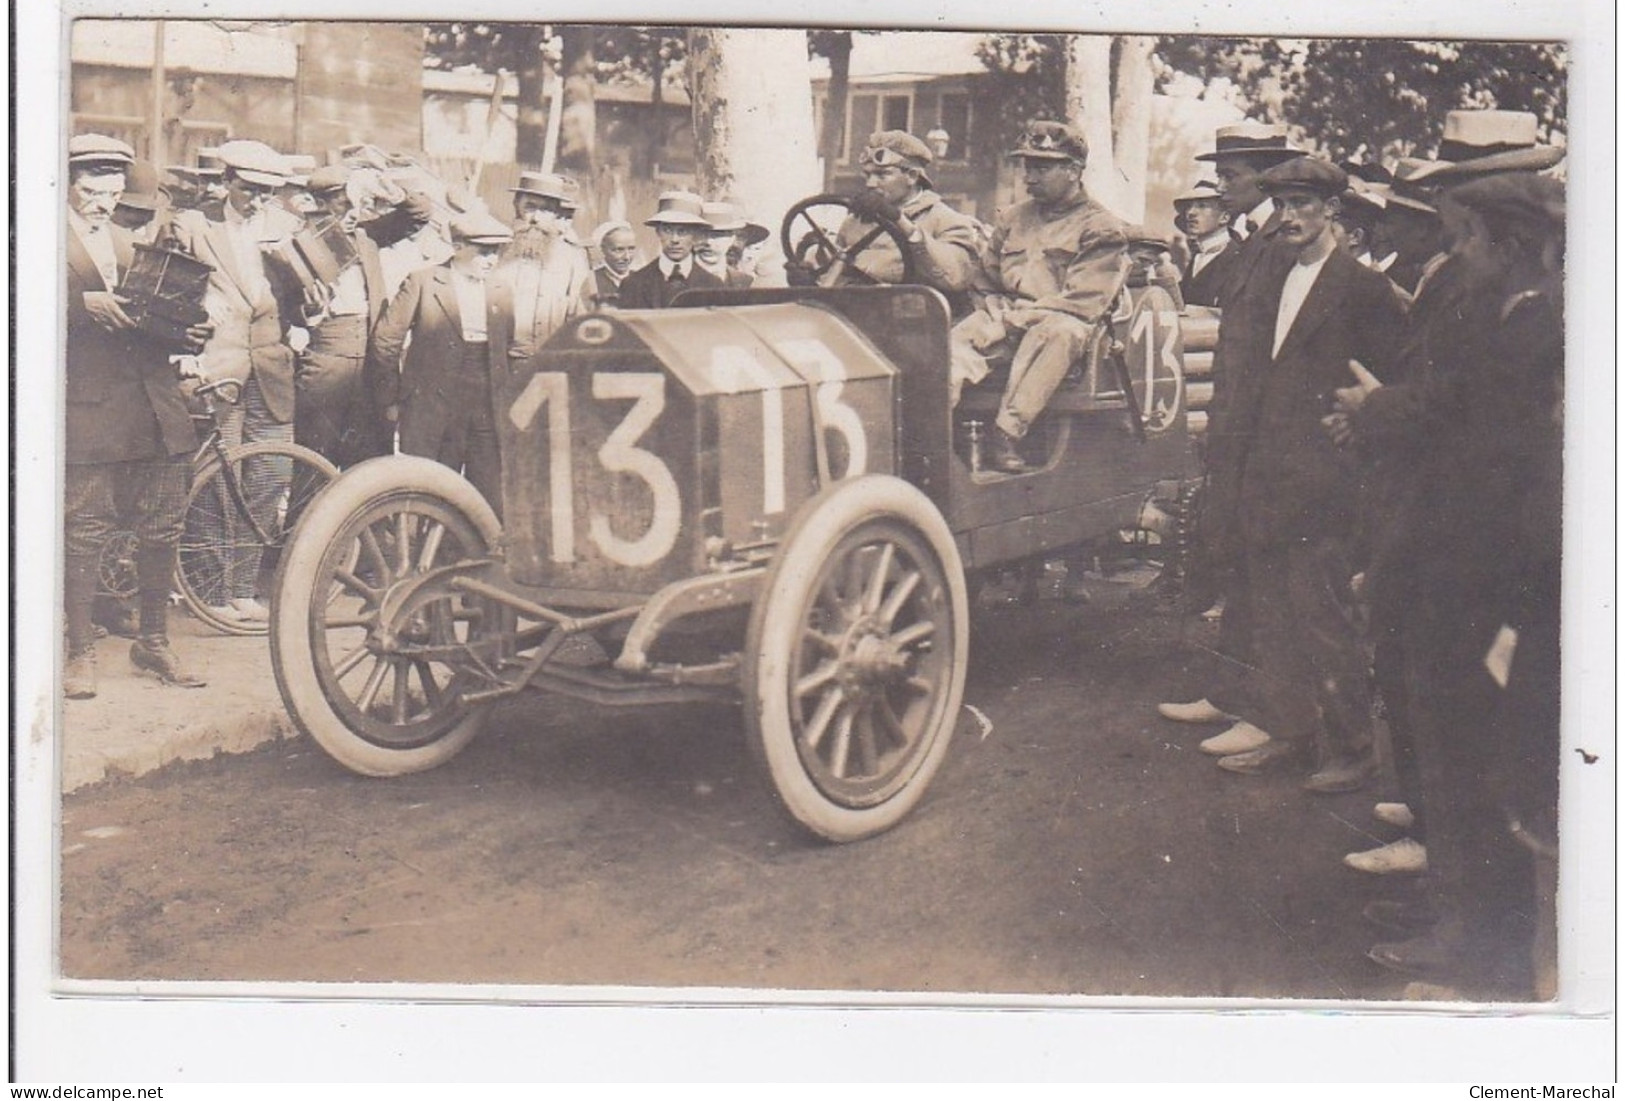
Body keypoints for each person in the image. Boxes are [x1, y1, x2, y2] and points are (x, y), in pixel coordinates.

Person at [1199, 157, 1403, 792]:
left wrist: (1358, 438)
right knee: (1273, 613)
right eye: (1281, 204)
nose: (1288, 217)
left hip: (1325, 484)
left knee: (1325, 617)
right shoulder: (1270, 280)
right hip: (1264, 473)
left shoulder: (1363, 289)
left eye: (1302, 204)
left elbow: (1390, 384)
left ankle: (1354, 748)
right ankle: (1291, 735)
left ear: (1332, 211)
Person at [1158, 121, 1306, 751]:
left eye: (1233, 175)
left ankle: (1269, 713)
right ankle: (1230, 694)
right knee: (1238, 562)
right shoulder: (1254, 237)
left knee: (1266, 570)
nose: (1222, 187)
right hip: (1236, 423)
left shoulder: (1282, 238)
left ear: (1266, 178)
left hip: (1263, 428)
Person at [62, 134, 210, 697]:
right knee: (85, 532)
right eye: (92, 191)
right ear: (69, 185)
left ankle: (154, 643)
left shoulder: (132, 245)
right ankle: (80, 653)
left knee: (163, 528)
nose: (103, 202)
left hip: (157, 409)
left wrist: (196, 330)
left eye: (113, 191)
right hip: (93, 410)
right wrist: (78, 305)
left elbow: (161, 319)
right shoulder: (33, 240)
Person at [166, 138, 301, 626]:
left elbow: (310, 294)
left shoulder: (287, 231)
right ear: (226, 183)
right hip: (218, 369)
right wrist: (196, 307)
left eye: (269, 192)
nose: (259, 201)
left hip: (270, 370)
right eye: (248, 190)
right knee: (221, 484)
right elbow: (167, 288)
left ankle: (244, 589)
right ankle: (211, 592)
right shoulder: (193, 226)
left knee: (269, 479)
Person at [949, 120, 1129, 473]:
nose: (1029, 177)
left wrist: (1012, 320)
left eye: (1042, 168)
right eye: (1027, 167)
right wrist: (992, 307)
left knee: (1060, 331)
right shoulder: (1014, 218)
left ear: (1074, 170)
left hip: (1059, 327)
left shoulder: (1100, 226)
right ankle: (937, 437)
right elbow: (985, 278)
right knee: (950, 346)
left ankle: (1006, 434)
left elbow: (1083, 301)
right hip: (1005, 319)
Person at [368, 209, 515, 512]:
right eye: (484, 251)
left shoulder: (501, 289)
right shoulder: (424, 281)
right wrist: (391, 398)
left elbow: (508, 349)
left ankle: (477, 556)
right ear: (458, 247)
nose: (492, 260)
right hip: (433, 403)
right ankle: (425, 555)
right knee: (431, 488)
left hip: (485, 401)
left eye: (496, 252)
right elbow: (386, 340)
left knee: (489, 492)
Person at [291, 164, 394, 470]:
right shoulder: (299, 244)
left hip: (370, 363)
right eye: (343, 204)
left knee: (365, 465)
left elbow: (418, 215)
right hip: (327, 359)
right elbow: (290, 308)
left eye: (357, 204)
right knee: (314, 463)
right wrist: (308, 311)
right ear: (320, 204)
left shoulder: (366, 238)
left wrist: (389, 189)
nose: (353, 212)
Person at [819, 130, 983, 309]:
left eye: (882, 175)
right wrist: (812, 277)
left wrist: (900, 221)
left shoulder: (946, 221)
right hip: (856, 313)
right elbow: (838, 271)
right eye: (867, 175)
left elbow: (955, 278)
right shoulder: (855, 221)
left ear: (911, 176)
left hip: (914, 322)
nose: (870, 184)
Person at [500, 170, 597, 360]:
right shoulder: (496, 253)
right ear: (516, 206)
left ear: (555, 214)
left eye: (545, 210)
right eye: (530, 207)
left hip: (550, 363)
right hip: (501, 363)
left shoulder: (572, 258)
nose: (536, 218)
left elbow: (579, 318)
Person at [616, 191, 725, 309]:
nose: (674, 239)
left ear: (696, 235)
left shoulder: (713, 286)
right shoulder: (633, 284)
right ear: (658, 232)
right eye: (667, 230)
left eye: (682, 232)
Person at [1173, 179, 1239, 308]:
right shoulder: (1198, 256)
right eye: (1188, 207)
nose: (1190, 213)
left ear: (1224, 217)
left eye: (1202, 206)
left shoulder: (1239, 257)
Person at [696, 202, 758, 288]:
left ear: (732, 238)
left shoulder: (744, 282)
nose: (709, 241)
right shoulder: (679, 278)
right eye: (702, 234)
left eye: (717, 235)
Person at [591, 220, 639, 308]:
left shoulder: (642, 280)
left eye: (631, 249)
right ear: (603, 249)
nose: (626, 257)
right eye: (619, 250)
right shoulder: (592, 281)